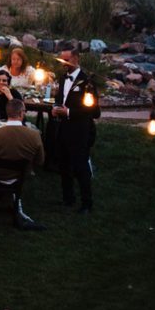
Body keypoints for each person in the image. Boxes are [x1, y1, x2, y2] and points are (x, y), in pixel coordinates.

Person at [0, 99, 46, 230]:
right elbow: (40, 161)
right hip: (20, 178)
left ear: (7, 113)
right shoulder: (34, 135)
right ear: (22, 113)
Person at [53, 47, 100, 213]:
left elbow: (95, 112)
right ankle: (68, 198)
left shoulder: (87, 82)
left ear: (76, 59)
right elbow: (59, 99)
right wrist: (56, 107)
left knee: (80, 168)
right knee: (64, 165)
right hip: (63, 129)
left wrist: (69, 112)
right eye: (61, 61)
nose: (64, 64)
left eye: (66, 60)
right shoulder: (62, 79)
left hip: (79, 131)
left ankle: (87, 203)